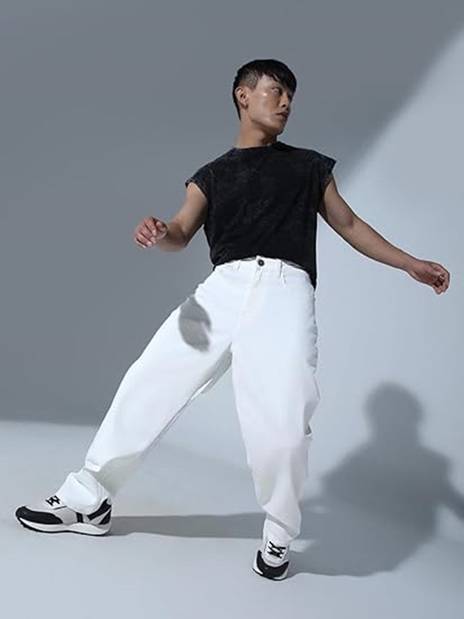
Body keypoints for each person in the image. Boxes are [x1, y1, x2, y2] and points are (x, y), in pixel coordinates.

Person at [15, 58, 450, 581]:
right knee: (148, 381)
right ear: (243, 95)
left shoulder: (309, 166)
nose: (286, 102)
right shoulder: (212, 175)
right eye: (275, 91)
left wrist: (409, 263)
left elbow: (350, 224)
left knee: (283, 420)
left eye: (291, 95)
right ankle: (88, 499)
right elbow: (180, 231)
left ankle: (280, 530)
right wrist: (160, 232)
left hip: (284, 293)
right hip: (221, 292)